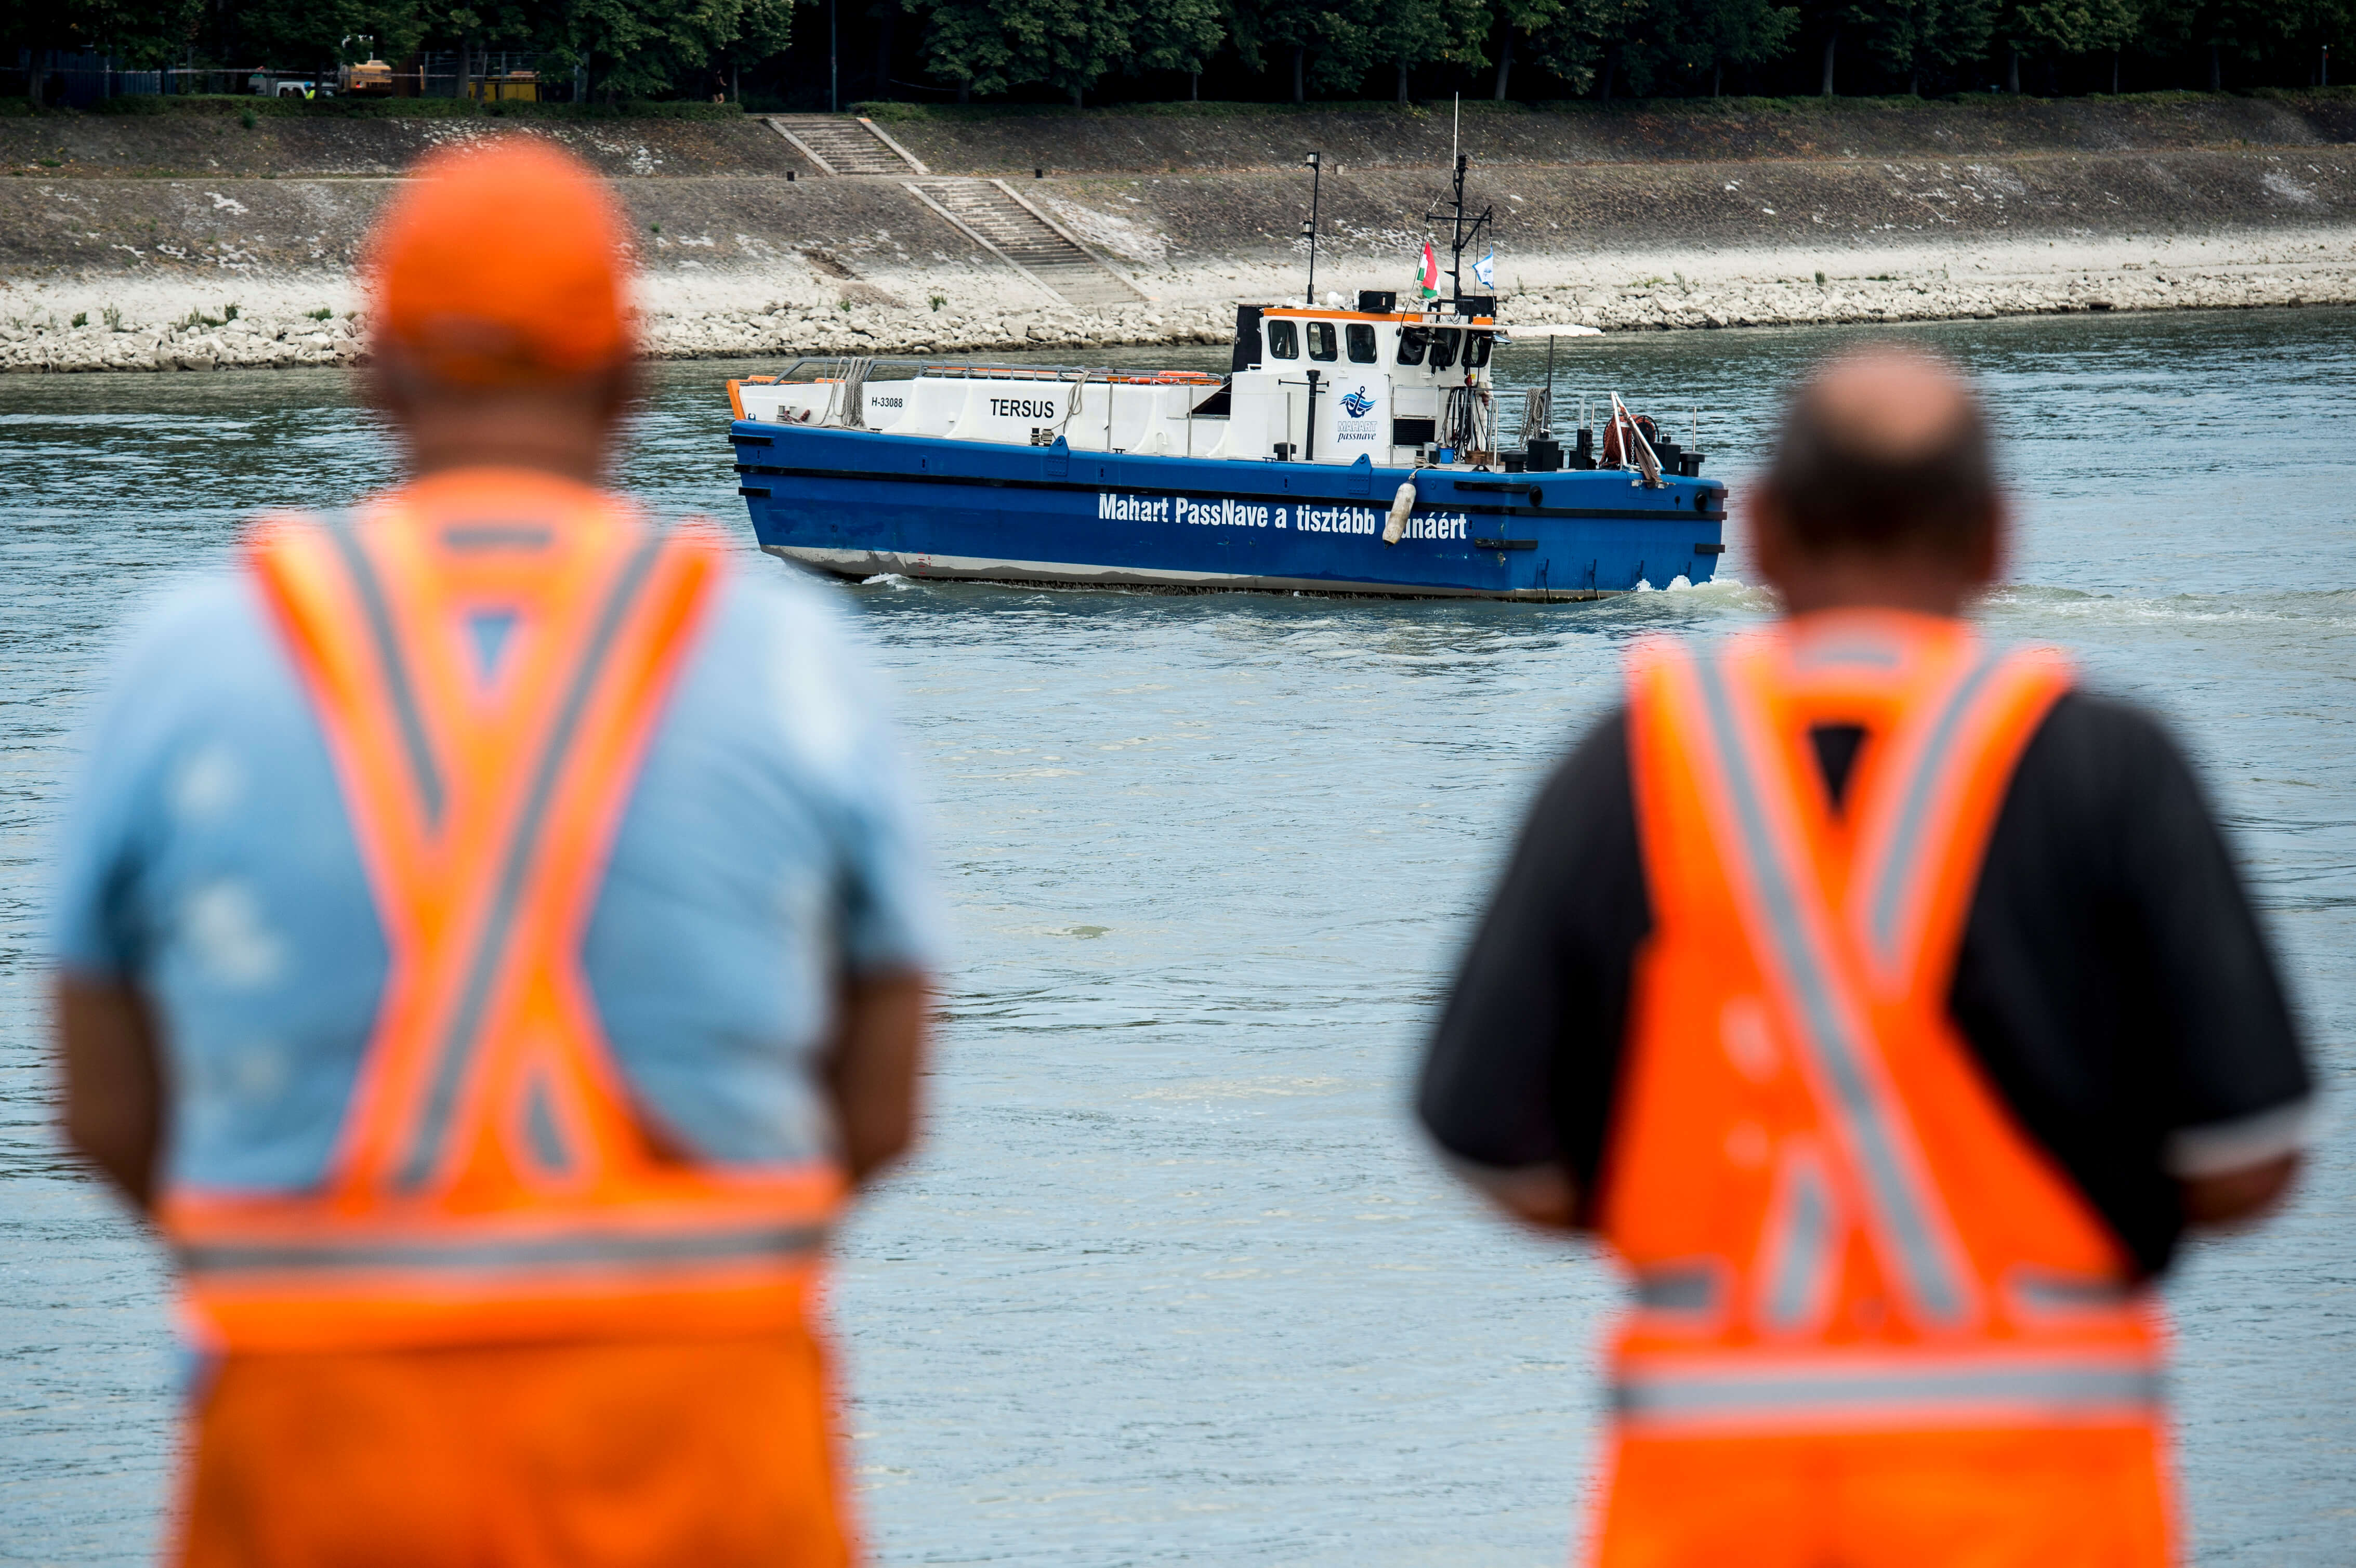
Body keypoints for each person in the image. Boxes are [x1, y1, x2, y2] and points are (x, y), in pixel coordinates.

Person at [50, 138, 940, 1567]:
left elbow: (102, 1109)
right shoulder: (791, 666)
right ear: (627, 381)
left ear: (375, 377)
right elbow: (884, 1104)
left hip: (319, 1447)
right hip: (708, 1442)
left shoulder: (184, 664)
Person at [1418, 345, 2310, 1566]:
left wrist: (1686, 1201)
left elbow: (1487, 1139)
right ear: (1995, 541)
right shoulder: (2110, 768)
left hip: (1712, 1514)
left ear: (1762, 532)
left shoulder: (1630, 764)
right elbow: (2247, 1157)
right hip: (2042, 1510)